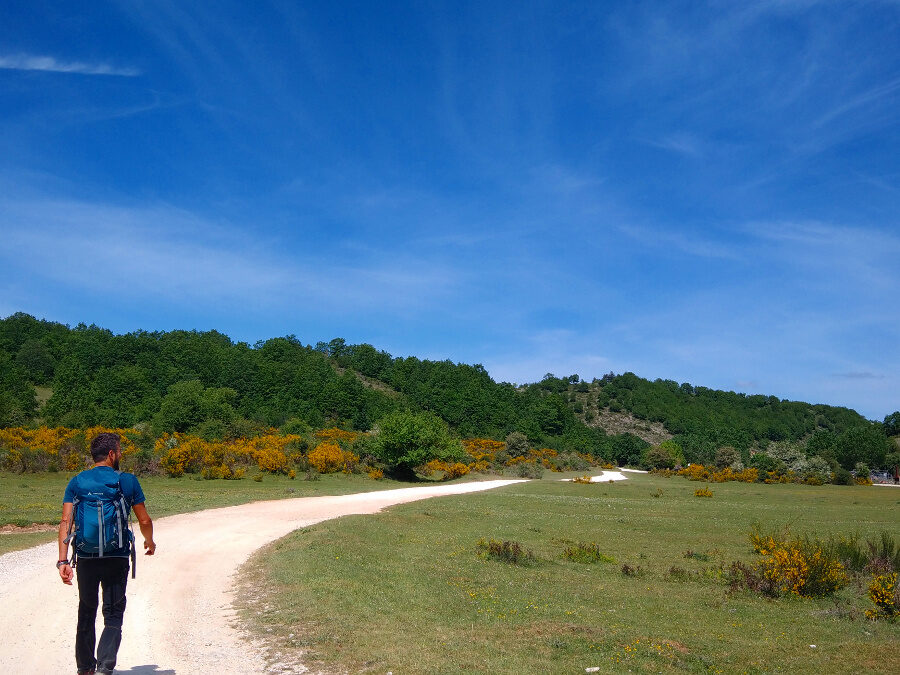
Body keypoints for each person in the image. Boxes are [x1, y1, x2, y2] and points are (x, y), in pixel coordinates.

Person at [57, 432, 157, 675]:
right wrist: (149, 542)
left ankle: (85, 668)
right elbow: (143, 519)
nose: (121, 454)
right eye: (120, 450)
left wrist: (62, 560)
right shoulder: (128, 481)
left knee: (87, 609)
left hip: (86, 557)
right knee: (113, 612)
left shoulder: (77, 481)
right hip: (117, 555)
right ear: (111, 454)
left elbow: (65, 521)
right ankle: (104, 666)